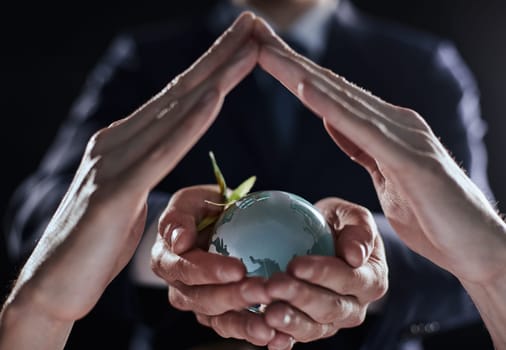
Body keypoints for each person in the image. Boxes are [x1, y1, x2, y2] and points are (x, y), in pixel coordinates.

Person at [2, 0, 494, 349]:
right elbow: (45, 216)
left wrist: (365, 259)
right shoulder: (144, 60)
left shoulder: (423, 66)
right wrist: (159, 237)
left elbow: (471, 240)